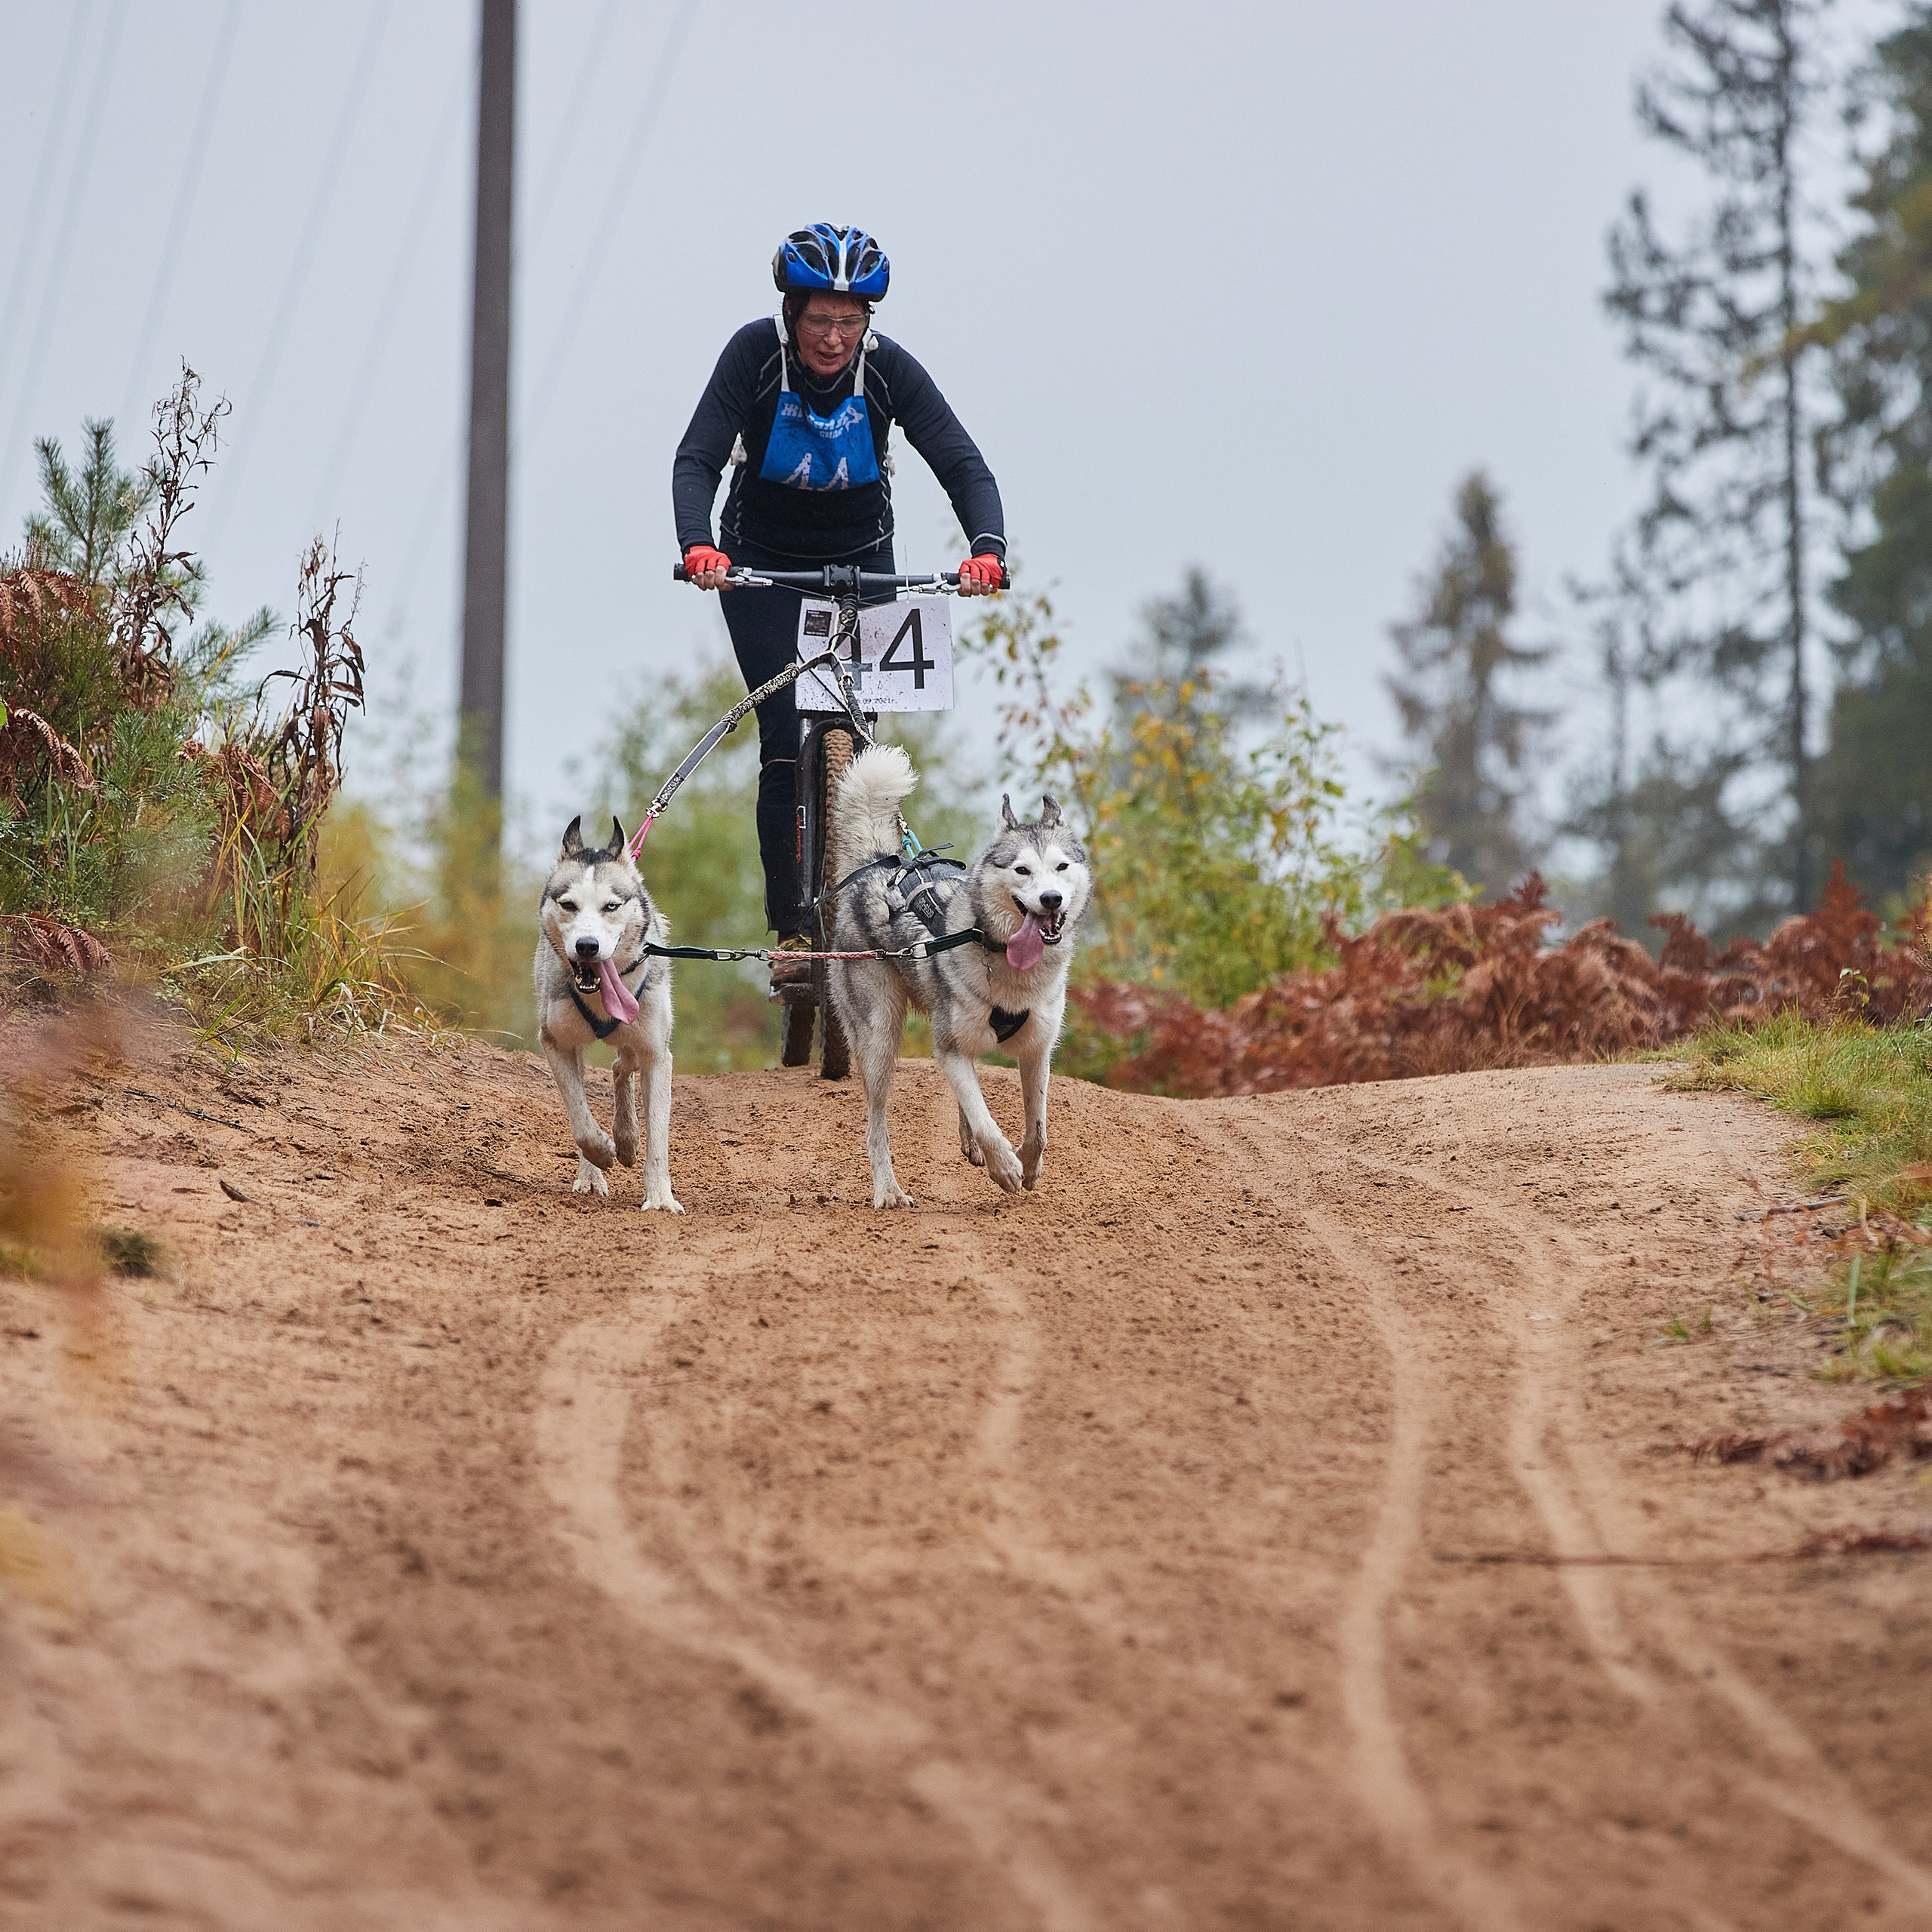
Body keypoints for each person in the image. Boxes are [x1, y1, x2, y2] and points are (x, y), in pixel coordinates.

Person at [673, 223, 1006, 988]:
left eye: (850, 321)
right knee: (784, 740)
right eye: (820, 319)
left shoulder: (889, 372)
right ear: (792, 313)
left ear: (868, 324)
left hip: (864, 564)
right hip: (758, 566)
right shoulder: (754, 357)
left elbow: (961, 461)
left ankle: (872, 914)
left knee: (863, 752)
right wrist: (699, 546)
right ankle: (792, 933)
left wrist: (987, 547)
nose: (834, 337)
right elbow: (696, 458)